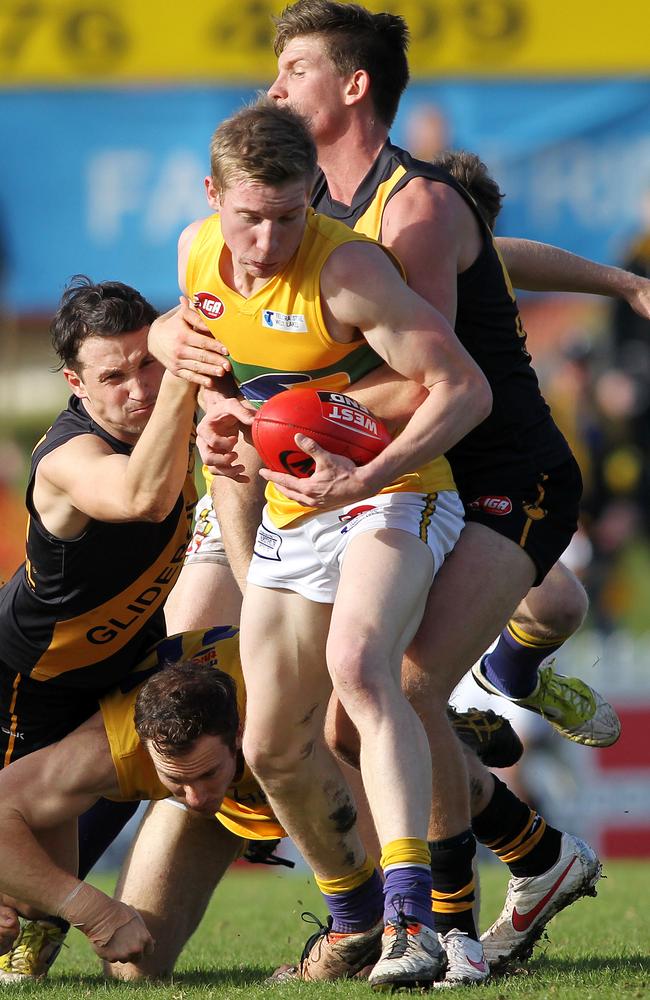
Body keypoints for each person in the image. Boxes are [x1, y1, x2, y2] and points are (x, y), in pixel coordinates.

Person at [147, 4, 643, 982]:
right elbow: (213, 312)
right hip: (380, 475)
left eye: (293, 69)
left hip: (497, 472)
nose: (274, 85)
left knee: (403, 683)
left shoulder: (403, 207)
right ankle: (524, 856)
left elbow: (427, 377)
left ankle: (439, 921)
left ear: (352, 86)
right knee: (341, 711)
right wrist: (177, 344)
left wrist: (260, 410)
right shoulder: (293, 208)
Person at [177, 98, 494, 991]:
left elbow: (463, 390)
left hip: (391, 493)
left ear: (314, 193)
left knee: (362, 668)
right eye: (250, 218)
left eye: (288, 217)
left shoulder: (348, 271)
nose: (269, 241)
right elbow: (219, 381)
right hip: (290, 511)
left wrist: (361, 476)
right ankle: (355, 921)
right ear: (214, 197)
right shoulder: (196, 252)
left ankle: (412, 924)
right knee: (271, 742)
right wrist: (216, 421)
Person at [0, 276, 198, 980]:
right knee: (23, 912)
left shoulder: (180, 415)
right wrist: (184, 370)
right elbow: (144, 497)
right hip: (34, 685)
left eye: (148, 363)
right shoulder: (65, 456)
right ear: (75, 383)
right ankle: (76, 913)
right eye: (114, 375)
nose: (139, 388)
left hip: (128, 667)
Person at [0, 627, 286, 977]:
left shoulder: (292, 703)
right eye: (177, 779)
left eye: (205, 773)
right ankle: (42, 926)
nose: (196, 799)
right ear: (146, 748)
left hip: (300, 748)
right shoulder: (108, 750)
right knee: (132, 970)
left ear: (239, 732)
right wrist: (90, 910)